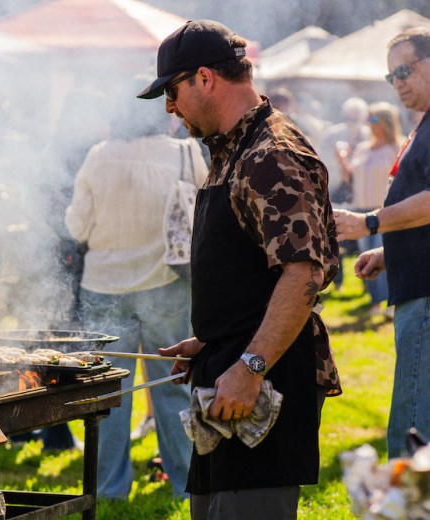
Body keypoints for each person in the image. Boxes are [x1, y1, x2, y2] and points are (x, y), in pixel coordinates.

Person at [137, 20, 340, 519]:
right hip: (227, 371)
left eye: (171, 90)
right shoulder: (231, 151)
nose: (169, 106)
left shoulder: (273, 154)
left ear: (204, 78)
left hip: (265, 380)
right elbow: (254, 272)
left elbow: (304, 275)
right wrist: (213, 339)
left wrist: (250, 367)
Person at [65, 82, 207, 499]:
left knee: (110, 393)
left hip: (104, 286)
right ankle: (184, 484)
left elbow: (77, 227)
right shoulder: (184, 152)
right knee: (171, 385)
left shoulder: (98, 155)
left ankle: (109, 488)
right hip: (166, 282)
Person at [334, 27, 430, 459]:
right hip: (417, 288)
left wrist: (369, 222)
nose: (398, 82)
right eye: (391, 75)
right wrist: (388, 252)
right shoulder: (423, 123)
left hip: (426, 298)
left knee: (413, 430)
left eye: (406, 70)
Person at [335, 101, 404, 318]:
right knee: (366, 256)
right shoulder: (364, 148)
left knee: (383, 256)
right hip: (361, 210)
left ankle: (388, 302)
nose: (368, 124)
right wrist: (342, 159)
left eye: (372, 119)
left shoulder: (398, 147)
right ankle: (376, 301)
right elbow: (350, 177)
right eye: (368, 119)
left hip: (385, 210)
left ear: (386, 121)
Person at [317, 97, 371, 205]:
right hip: (337, 187)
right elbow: (322, 160)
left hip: (365, 187)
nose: (350, 122)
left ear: (363, 118)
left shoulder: (370, 135)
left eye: (355, 119)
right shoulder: (332, 135)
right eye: (347, 118)